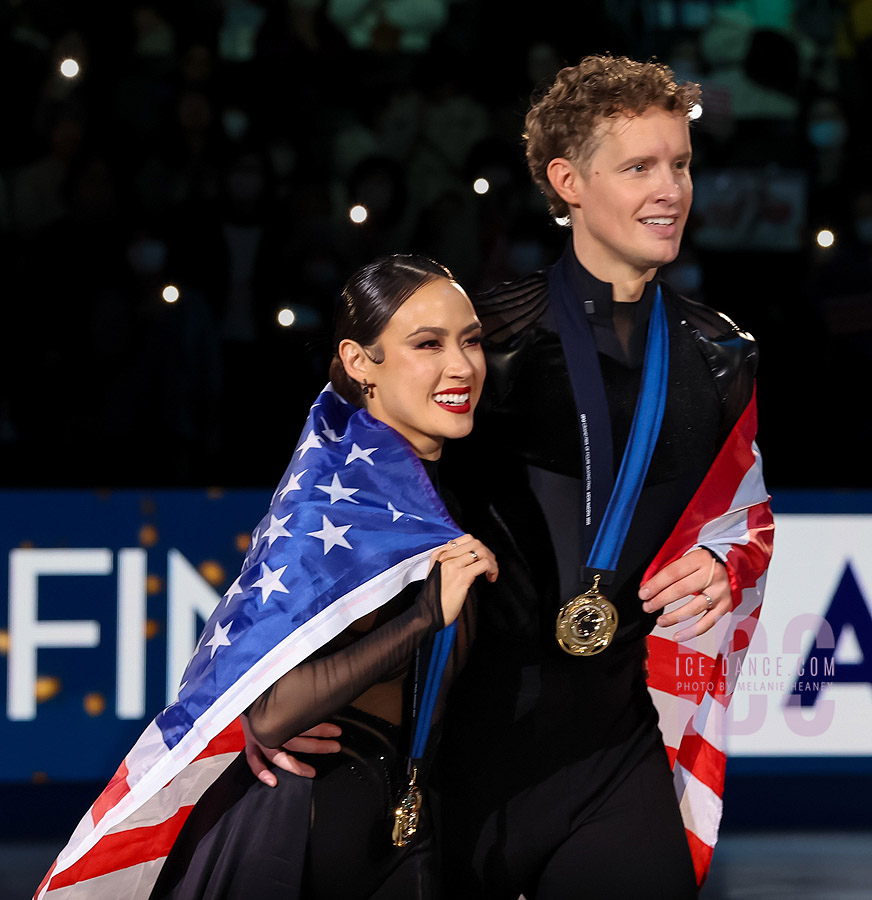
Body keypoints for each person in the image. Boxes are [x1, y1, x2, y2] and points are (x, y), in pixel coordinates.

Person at [243, 55, 774, 899]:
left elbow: (741, 519)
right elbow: (331, 488)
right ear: (568, 181)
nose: (670, 187)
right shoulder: (483, 338)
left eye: (679, 163)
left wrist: (723, 565)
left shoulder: (723, 357)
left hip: (610, 746)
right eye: (639, 166)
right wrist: (269, 679)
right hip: (459, 754)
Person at [34, 255, 497, 900]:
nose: (462, 366)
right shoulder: (338, 502)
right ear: (361, 363)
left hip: (402, 827)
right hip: (302, 835)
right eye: (428, 344)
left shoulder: (433, 487)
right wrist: (425, 616)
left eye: (470, 339)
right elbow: (275, 711)